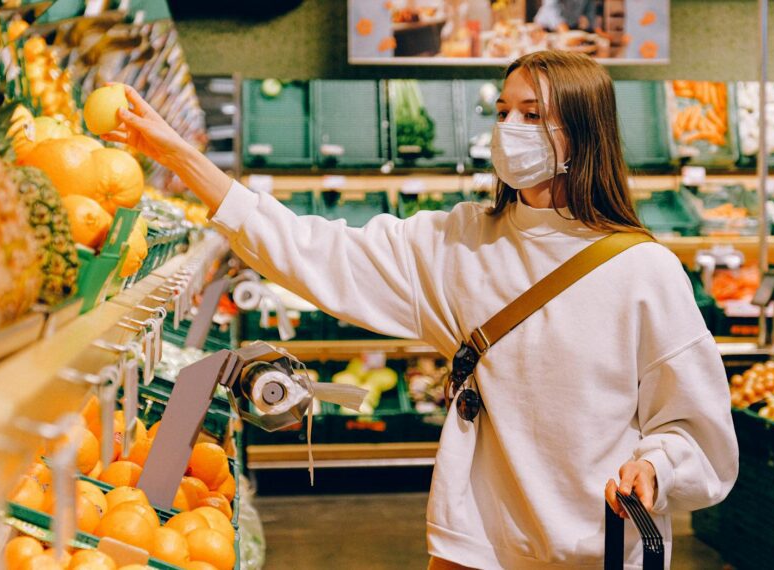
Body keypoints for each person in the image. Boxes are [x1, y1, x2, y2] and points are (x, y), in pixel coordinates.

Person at [105, 50, 738, 569]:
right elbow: (312, 250)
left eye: (532, 113)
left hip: (597, 548)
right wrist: (181, 158)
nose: (509, 128)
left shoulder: (641, 271)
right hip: (475, 548)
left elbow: (697, 429)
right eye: (504, 110)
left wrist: (657, 465)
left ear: (582, 131)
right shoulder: (461, 242)